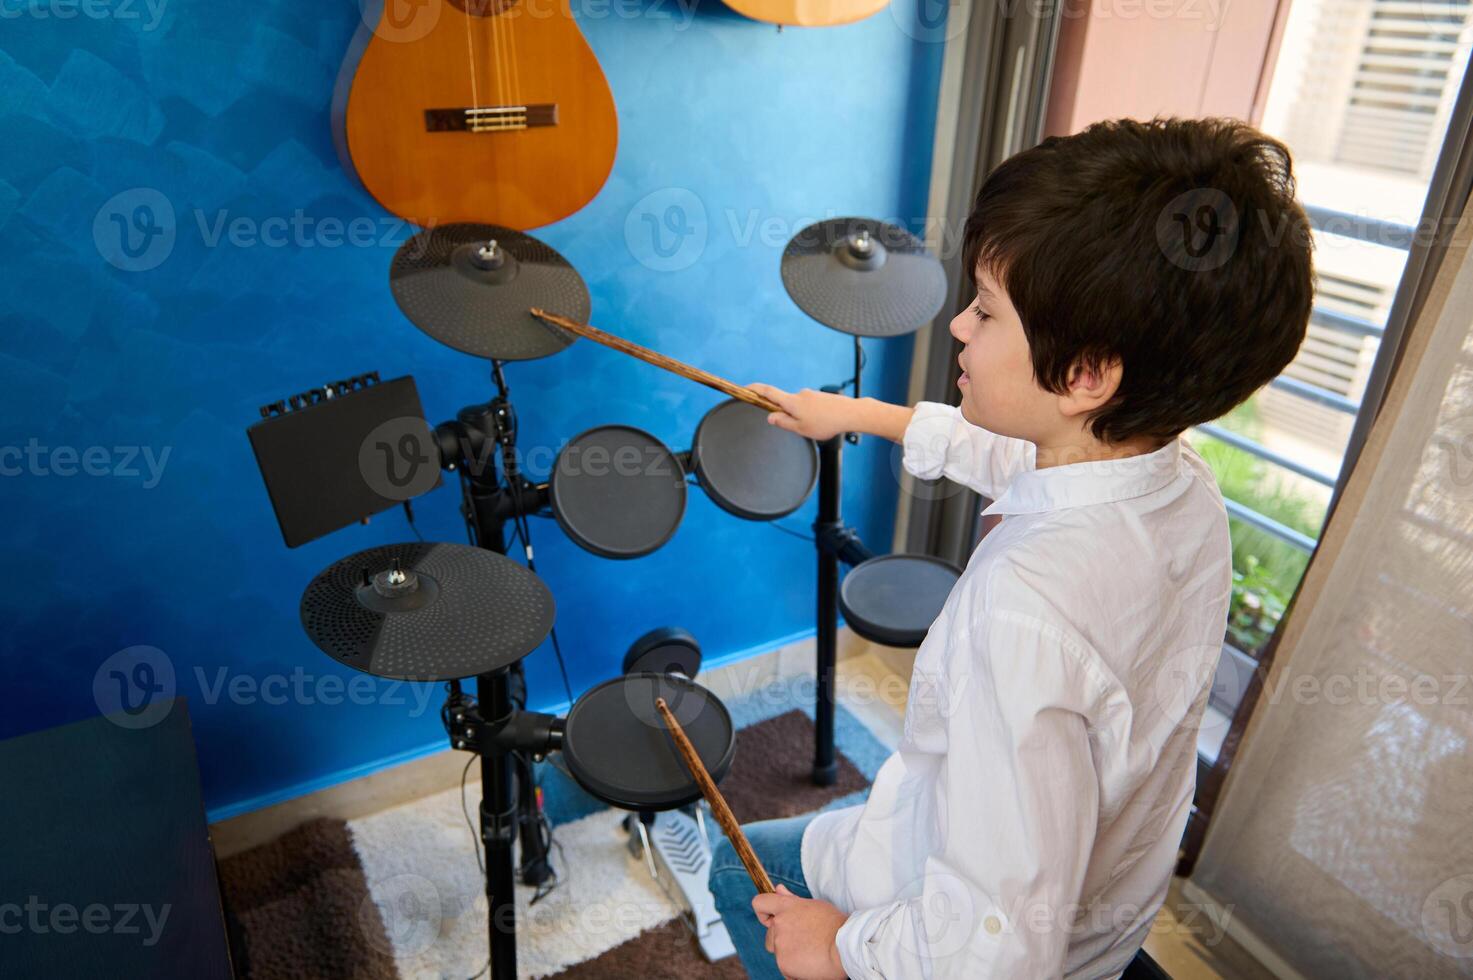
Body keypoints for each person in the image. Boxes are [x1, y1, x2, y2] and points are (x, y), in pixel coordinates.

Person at [706, 115, 1314, 979]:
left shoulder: (1026, 609)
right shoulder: (1178, 484)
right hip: (1100, 912)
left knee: (737, 863)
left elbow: (994, 947)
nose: (957, 325)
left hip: (969, 927)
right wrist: (857, 416)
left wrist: (838, 948)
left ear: (1084, 376)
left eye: (985, 310)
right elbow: (1017, 450)